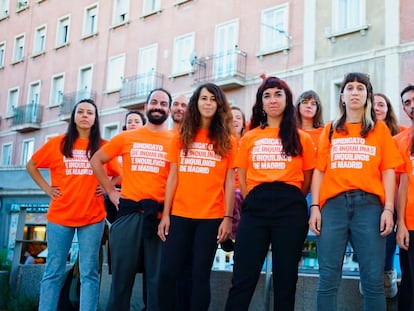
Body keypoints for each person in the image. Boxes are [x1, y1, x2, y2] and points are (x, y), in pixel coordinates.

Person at [308, 72, 403, 311]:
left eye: (360, 88)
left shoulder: (379, 131)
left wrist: (388, 209)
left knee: (372, 280)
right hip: (333, 207)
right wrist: (315, 207)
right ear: (342, 96)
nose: (354, 92)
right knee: (328, 279)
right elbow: (319, 171)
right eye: (349, 88)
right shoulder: (329, 130)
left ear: (367, 96)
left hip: (369, 207)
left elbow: (389, 171)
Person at [225, 76, 315, 311]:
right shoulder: (250, 137)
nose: (272, 99)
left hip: (290, 209)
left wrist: (290, 196)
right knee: (243, 277)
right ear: (261, 103)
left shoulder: (301, 138)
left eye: (278, 94)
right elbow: (242, 177)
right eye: (267, 95)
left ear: (287, 100)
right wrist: (254, 197)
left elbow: (307, 179)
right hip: (255, 208)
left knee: (286, 280)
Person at [26, 98, 121, 311]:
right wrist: (47, 189)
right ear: (74, 117)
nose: (85, 115)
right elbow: (31, 165)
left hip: (92, 217)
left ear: (96, 119)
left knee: (89, 272)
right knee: (53, 271)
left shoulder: (103, 146)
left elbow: (120, 174)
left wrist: (107, 187)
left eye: (90, 112)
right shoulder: (58, 144)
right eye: (81, 112)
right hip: (60, 217)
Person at [90, 88, 173, 311]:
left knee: (157, 284)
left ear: (169, 110)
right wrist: (111, 191)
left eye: (163, 104)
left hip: (160, 217)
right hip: (128, 215)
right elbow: (96, 160)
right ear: (146, 107)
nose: (158, 106)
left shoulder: (176, 139)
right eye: (154, 102)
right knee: (120, 281)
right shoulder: (127, 137)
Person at [157, 83, 235, 311]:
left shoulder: (228, 141)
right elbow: (173, 178)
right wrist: (166, 215)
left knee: (199, 276)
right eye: (203, 98)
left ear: (219, 104)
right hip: (180, 215)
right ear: (196, 103)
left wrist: (228, 218)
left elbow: (229, 182)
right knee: (169, 272)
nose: (208, 103)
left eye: (213, 99)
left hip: (211, 218)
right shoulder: (181, 137)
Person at [372, 92, 402, 299]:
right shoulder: (359, 135)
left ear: (388, 109)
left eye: (381, 105)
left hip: (398, 200)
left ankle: (386, 277)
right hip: (371, 200)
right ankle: (372, 279)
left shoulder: (401, 135)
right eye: (372, 105)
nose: (376, 108)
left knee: (389, 240)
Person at [395, 84, 414, 310]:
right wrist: (400, 224)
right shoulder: (400, 141)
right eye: (406, 103)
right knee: (408, 283)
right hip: (410, 224)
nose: (411, 105)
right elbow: (401, 185)